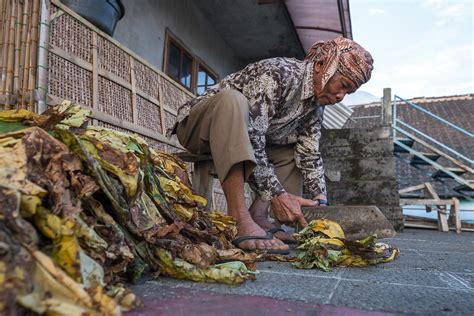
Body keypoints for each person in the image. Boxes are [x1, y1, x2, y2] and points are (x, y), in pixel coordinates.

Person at [171, 36, 373, 254]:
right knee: (232, 100)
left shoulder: (315, 107)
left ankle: (260, 217)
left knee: (292, 150)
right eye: (343, 85)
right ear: (322, 66)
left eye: (349, 93)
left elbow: (310, 154)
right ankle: (238, 218)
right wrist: (278, 194)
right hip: (198, 129)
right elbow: (253, 136)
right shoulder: (277, 73)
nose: (340, 96)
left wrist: (321, 203)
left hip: (241, 137)